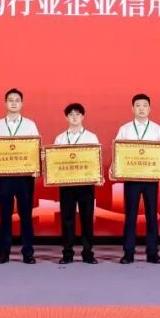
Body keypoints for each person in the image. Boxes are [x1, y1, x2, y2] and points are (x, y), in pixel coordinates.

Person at [115, 93, 160, 264]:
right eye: (138, 105)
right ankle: (128, 253)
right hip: (131, 179)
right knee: (130, 215)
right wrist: (114, 168)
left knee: (152, 215)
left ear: (149, 108)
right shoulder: (125, 129)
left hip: (151, 179)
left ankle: (153, 253)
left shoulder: (157, 129)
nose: (141, 108)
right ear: (132, 108)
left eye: (145, 105)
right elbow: (118, 152)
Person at [0, 88, 39, 264]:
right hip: (4, 177)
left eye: (17, 100)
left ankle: (28, 253)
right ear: (5, 103)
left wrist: (36, 166)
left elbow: (35, 148)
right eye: (10, 100)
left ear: (22, 104)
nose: (13, 103)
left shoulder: (30, 125)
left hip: (25, 177)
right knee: (5, 215)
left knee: (26, 215)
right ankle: (4, 253)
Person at [54, 103, 102, 264]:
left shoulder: (91, 137)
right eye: (71, 114)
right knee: (67, 219)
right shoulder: (60, 138)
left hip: (86, 184)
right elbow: (55, 162)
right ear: (66, 117)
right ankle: (67, 254)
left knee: (86, 219)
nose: (74, 117)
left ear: (83, 116)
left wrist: (97, 176)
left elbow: (96, 160)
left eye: (78, 114)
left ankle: (88, 253)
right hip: (66, 184)